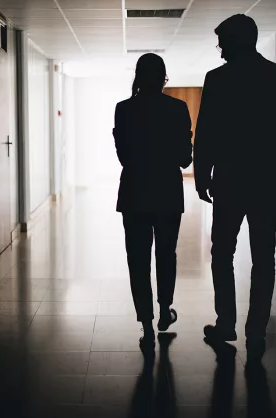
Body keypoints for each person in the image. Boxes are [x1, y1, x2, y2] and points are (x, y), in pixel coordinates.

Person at [194, 14, 276, 358]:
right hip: (267, 181)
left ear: (237, 41)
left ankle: (226, 323)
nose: (220, 49)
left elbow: (206, 131)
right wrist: (270, 164)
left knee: (222, 253)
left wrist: (201, 174)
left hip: (228, 179)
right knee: (263, 258)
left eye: (223, 41)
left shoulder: (217, 79)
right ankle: (256, 331)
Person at [113, 53, 193, 347]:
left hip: (134, 192)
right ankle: (164, 311)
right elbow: (185, 160)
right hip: (167, 193)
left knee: (138, 258)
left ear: (137, 77)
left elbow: (124, 157)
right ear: (163, 79)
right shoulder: (177, 108)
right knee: (165, 254)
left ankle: (146, 323)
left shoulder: (123, 109)